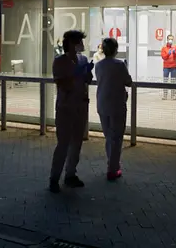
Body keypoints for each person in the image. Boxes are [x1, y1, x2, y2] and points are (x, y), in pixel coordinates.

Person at [49, 30, 93, 193]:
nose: (82, 45)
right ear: (72, 44)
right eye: (79, 42)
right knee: (63, 144)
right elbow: (61, 83)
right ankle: (54, 178)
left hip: (81, 106)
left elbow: (87, 80)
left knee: (77, 143)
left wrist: (87, 72)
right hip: (65, 108)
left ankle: (70, 175)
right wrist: (75, 75)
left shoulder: (82, 59)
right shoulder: (60, 61)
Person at [94, 38, 133, 181]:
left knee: (109, 136)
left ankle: (112, 164)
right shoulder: (119, 65)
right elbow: (128, 81)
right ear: (116, 49)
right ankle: (113, 168)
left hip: (102, 104)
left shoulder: (98, 65)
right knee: (117, 137)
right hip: (117, 105)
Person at [160, 34, 176, 100]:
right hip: (166, 67)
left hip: (173, 67)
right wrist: (168, 54)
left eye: (172, 39)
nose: (170, 40)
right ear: (167, 40)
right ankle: (165, 95)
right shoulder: (164, 48)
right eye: (169, 39)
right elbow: (163, 57)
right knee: (165, 81)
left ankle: (173, 95)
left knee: (173, 81)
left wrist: (174, 52)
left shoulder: (175, 47)